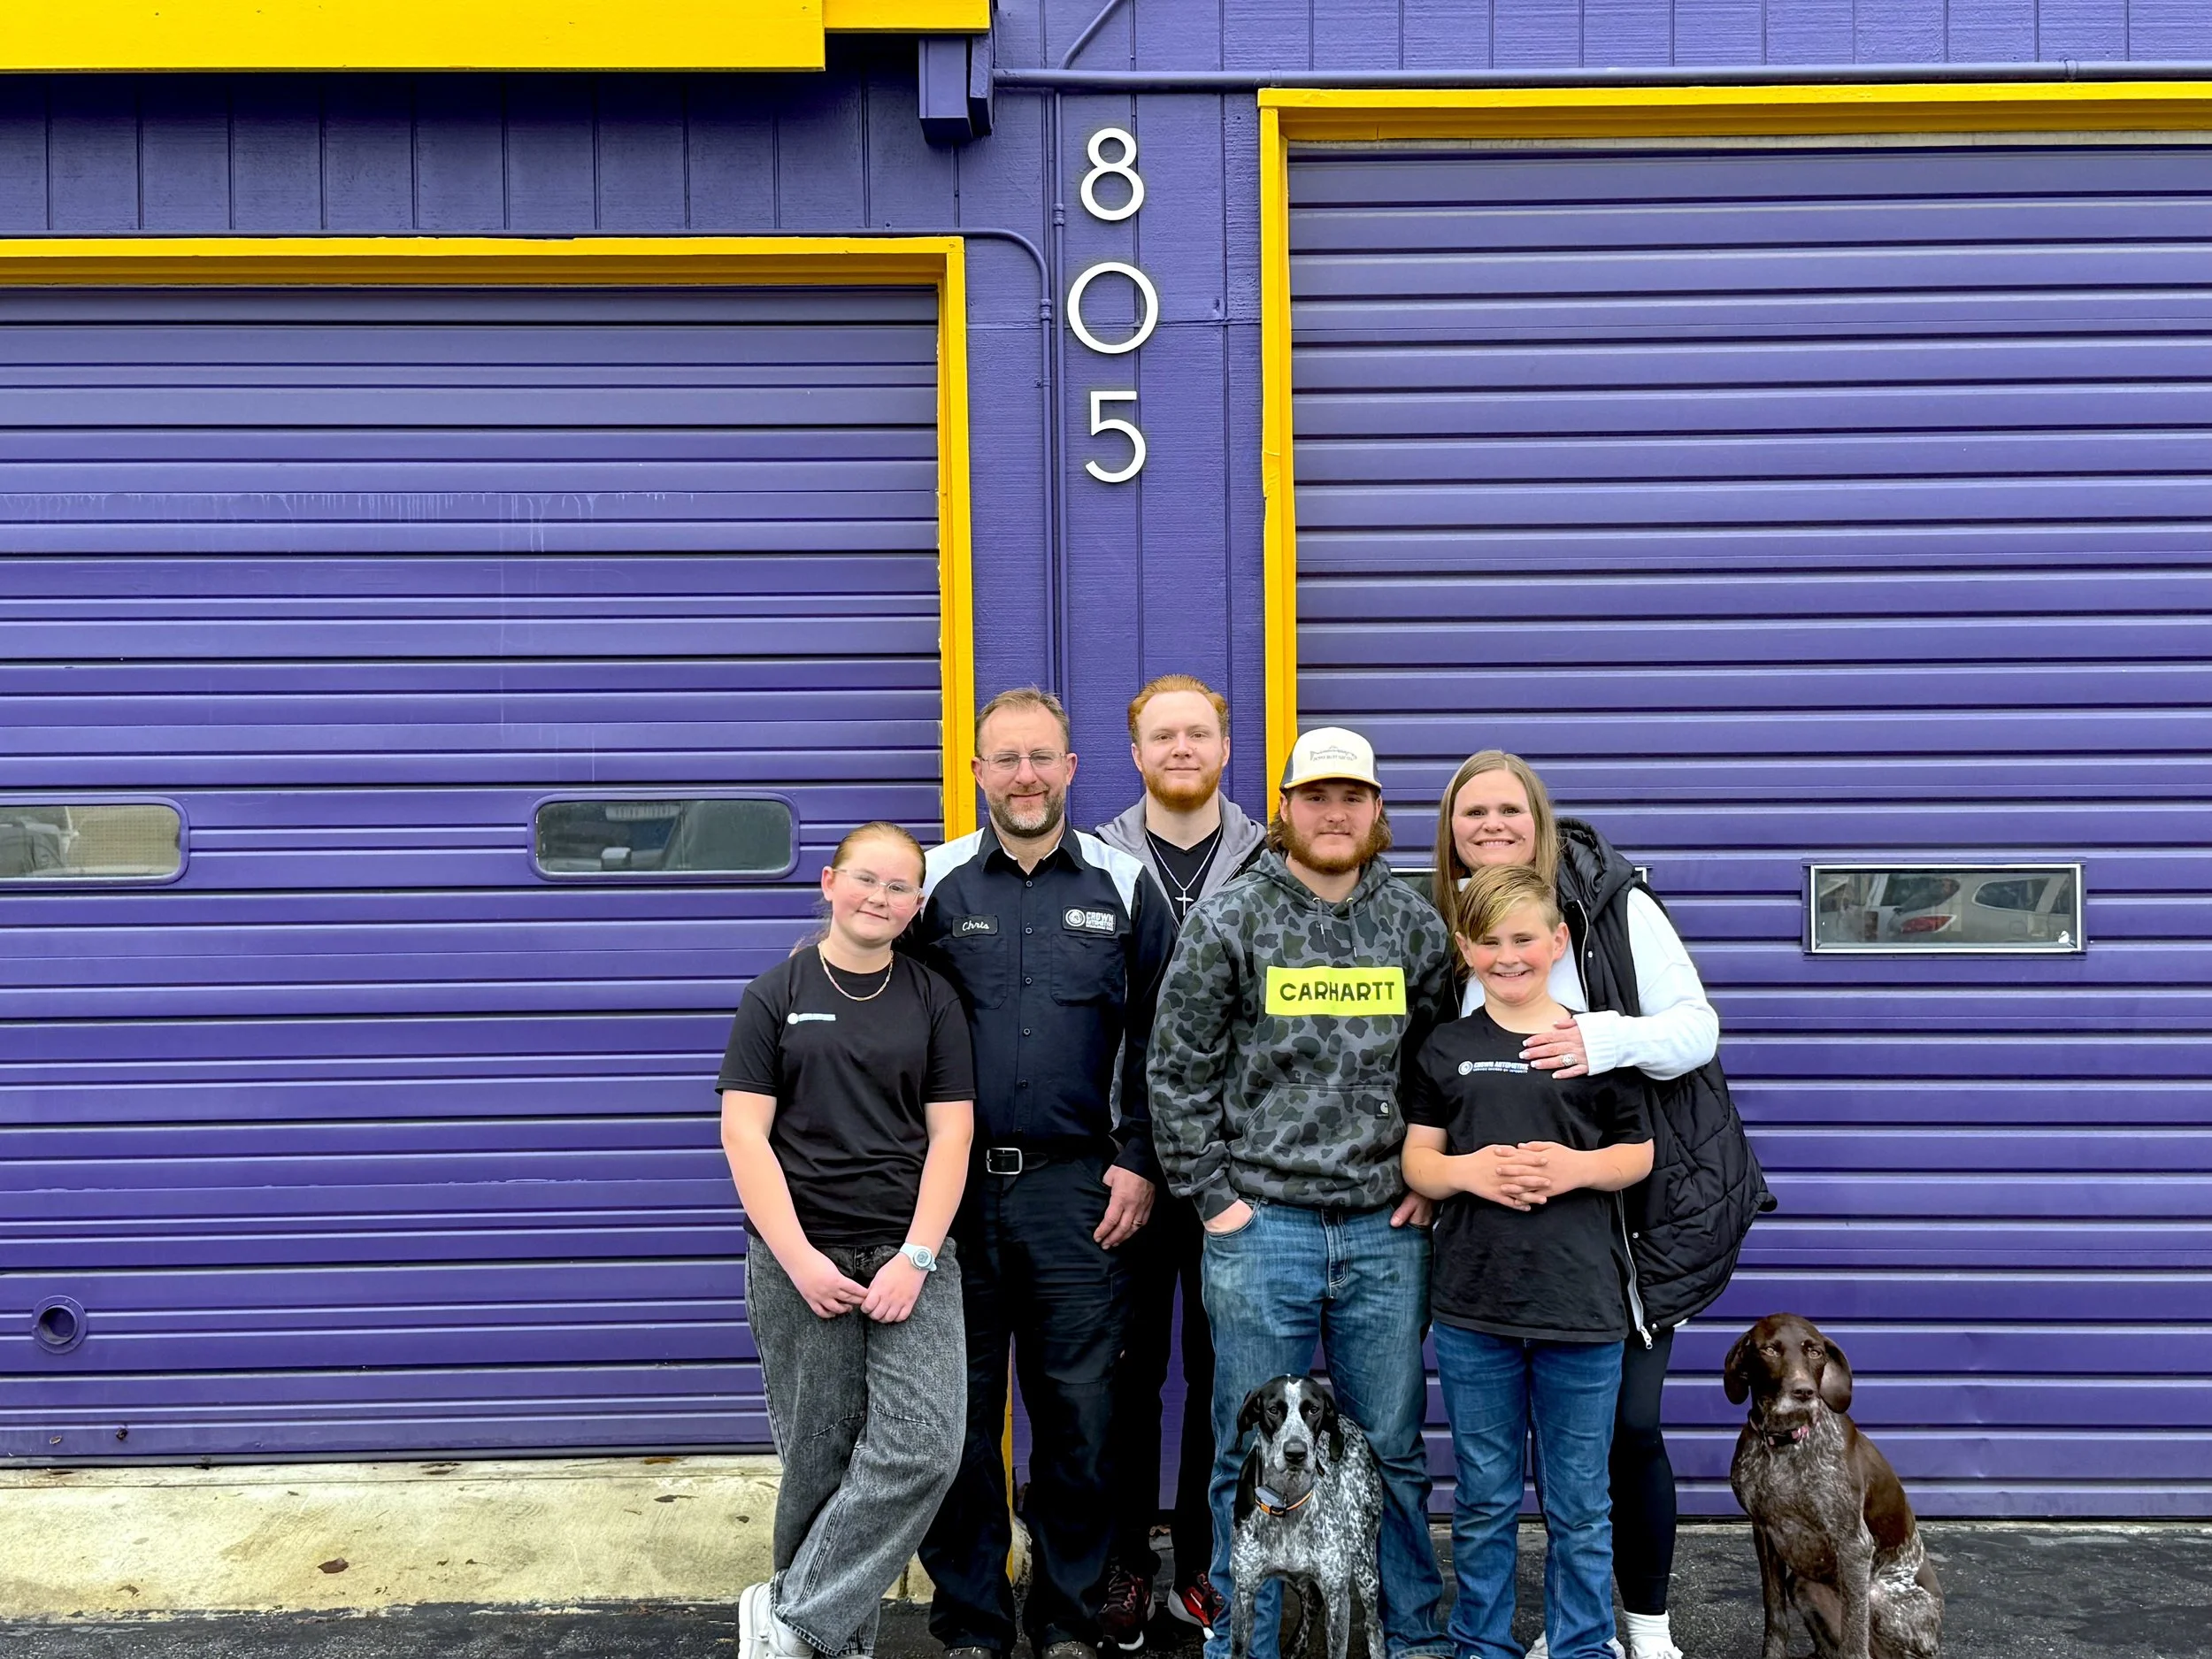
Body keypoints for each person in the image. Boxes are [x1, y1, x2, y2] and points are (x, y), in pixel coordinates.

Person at [1432, 750, 1771, 1659]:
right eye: (1472, 813)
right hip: (1500, 1238)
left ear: (1539, 819)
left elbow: (1695, 1028)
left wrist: (1597, 1037)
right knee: (1522, 1457)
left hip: (1630, 1219)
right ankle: (1555, 1626)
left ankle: (1644, 1627)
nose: (1491, 824)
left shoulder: (1612, 904)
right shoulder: (1451, 927)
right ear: (1450, 830)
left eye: (1508, 808)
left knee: (1625, 1426)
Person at [1148, 726, 1455, 1659]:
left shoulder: (1413, 925)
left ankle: (1413, 1638)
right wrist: (1212, 1199)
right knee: (1246, 1459)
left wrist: (1427, 1184)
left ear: (1375, 812)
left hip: (1381, 1230)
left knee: (1391, 1452)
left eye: (1351, 797)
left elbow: (1439, 1069)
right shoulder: (1233, 918)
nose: (1334, 813)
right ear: (1284, 810)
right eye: (1315, 797)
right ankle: (1245, 1643)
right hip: (1261, 1227)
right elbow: (1175, 1066)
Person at [913, 687, 1180, 1659]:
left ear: (1072, 769)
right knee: (959, 1416)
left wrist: (1141, 1161)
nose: (1024, 776)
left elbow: (1164, 1037)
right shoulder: (932, 882)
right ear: (977, 772)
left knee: (1080, 1416)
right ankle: (973, 1624)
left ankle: (1068, 1620)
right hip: (951, 1192)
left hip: (1079, 1194)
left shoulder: (1122, 884)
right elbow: (884, 1026)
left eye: (1042, 758)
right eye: (1005, 759)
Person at [717, 821, 975, 1659]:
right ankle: (829, 1647)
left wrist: (918, 1255)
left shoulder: (933, 998)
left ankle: (791, 1617)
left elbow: (952, 1137)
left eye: (901, 887)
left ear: (918, 904)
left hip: (911, 1256)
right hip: (800, 1256)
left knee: (927, 1446)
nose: (881, 897)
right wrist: (799, 1260)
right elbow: (743, 1135)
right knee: (818, 1458)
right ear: (828, 882)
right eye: (867, 879)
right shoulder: (775, 992)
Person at [1403, 864, 1655, 1659]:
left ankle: (1582, 1644)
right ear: (1464, 947)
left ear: (1558, 941)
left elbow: (1639, 1154)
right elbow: (1418, 1161)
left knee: (1580, 1500)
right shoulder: (1447, 1046)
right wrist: (1468, 1172)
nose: (1507, 956)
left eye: (1524, 939)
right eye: (1488, 941)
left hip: (1582, 1312)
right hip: (1476, 1308)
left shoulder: (1590, 1042)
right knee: (1482, 1497)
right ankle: (1481, 1642)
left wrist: (1574, 1168)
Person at [1092, 673, 1267, 1647]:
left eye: (1197, 733)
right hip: (1124, 1165)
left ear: (1224, 748)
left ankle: (1205, 1565)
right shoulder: (1095, 862)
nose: (1182, 750)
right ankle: (1123, 1564)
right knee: (1122, 1373)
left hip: (1237, 1171)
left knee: (1222, 1371)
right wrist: (1129, 1145)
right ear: (1136, 753)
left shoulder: (1270, 861)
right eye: (1163, 736)